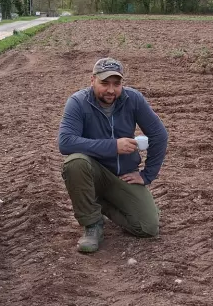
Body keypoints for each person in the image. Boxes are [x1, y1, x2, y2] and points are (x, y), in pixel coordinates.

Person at [58, 57, 169, 253]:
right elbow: (65, 142)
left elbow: (159, 135)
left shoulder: (132, 99)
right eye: (104, 83)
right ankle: (92, 225)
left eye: (116, 84)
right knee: (75, 162)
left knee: (148, 228)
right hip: (93, 173)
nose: (111, 90)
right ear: (92, 80)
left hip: (123, 176)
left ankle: (99, 203)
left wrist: (147, 175)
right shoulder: (78, 102)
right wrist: (113, 146)